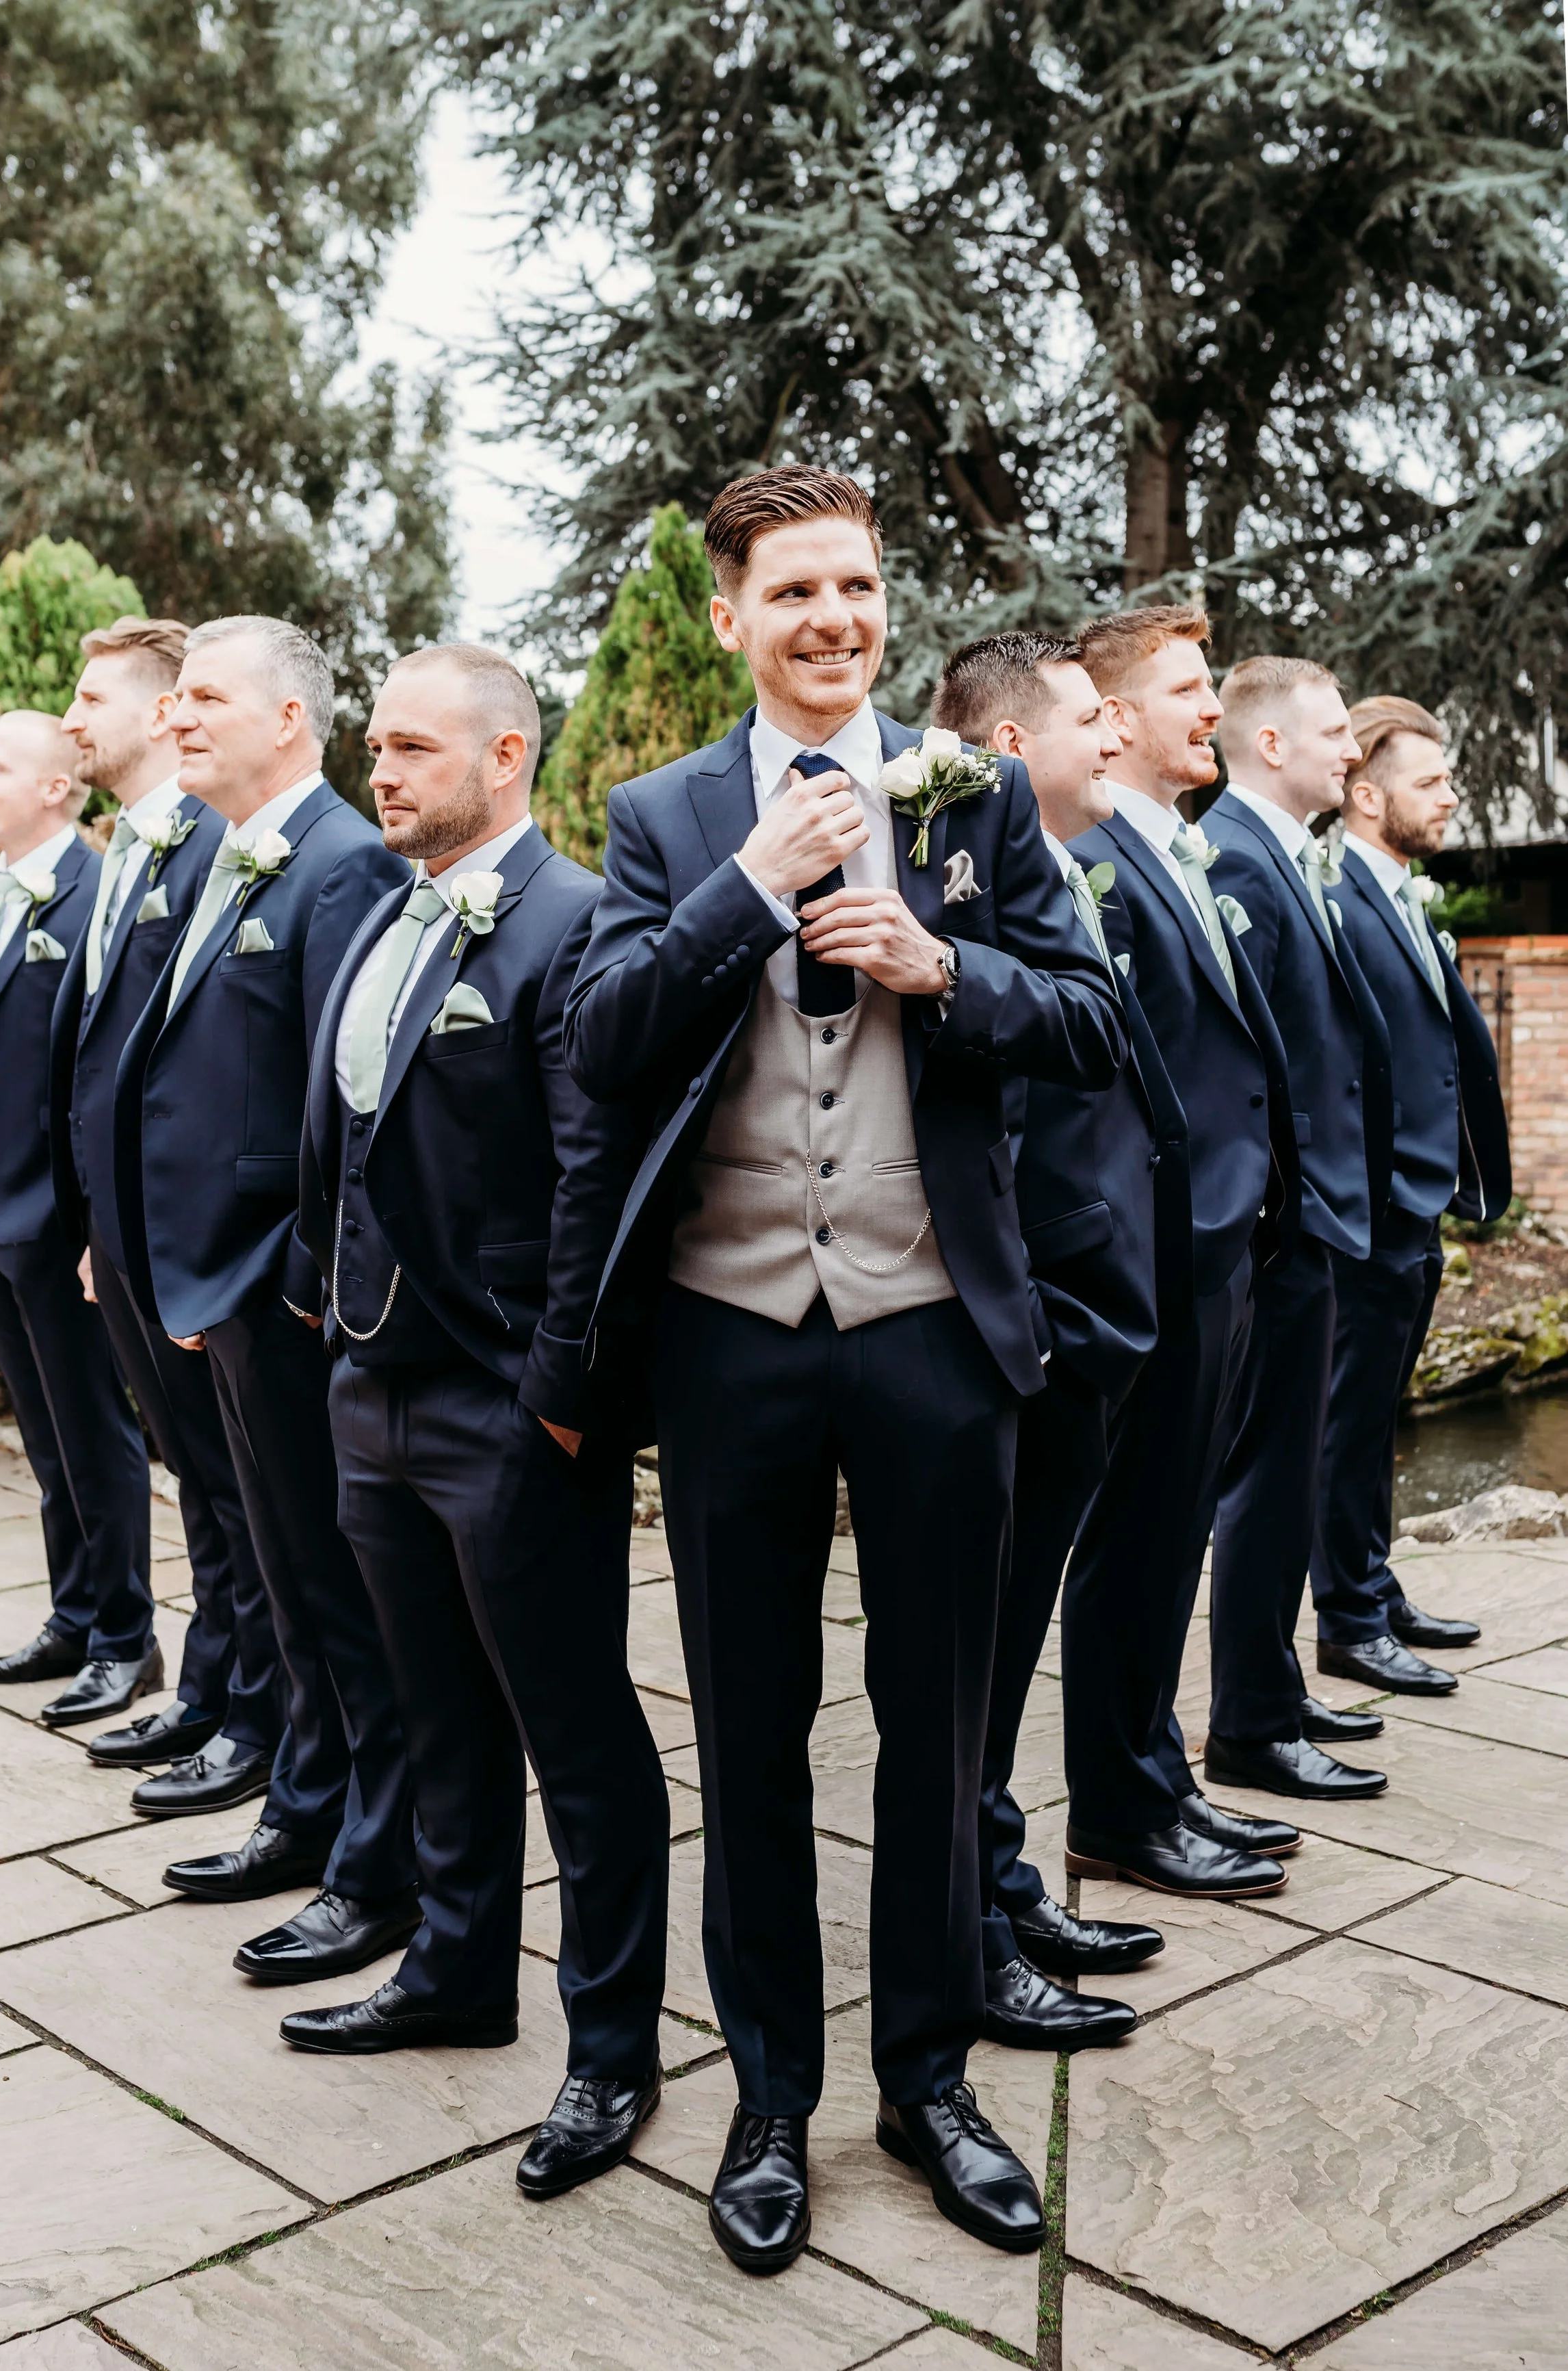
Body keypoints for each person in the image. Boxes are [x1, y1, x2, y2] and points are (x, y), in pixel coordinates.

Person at [566, 466, 1127, 2275]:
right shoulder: (658, 816)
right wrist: (752, 885)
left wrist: (939, 962)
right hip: (731, 1343)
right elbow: (599, 1038)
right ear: (729, 615)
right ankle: (767, 2098)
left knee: (938, 1730)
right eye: (794, 591)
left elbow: (1094, 1027)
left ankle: (929, 2082)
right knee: (743, 1736)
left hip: (929, 1334)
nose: (832, 620)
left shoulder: (974, 803)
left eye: (859, 588)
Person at [285, 643, 670, 2203]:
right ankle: (455, 1966)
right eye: (374, 745)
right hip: (366, 1392)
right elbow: (346, 1130)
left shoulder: (573, 923)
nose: (379, 771)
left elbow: (600, 1184)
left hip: (507, 1409)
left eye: (410, 748)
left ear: (504, 756)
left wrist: (560, 1401)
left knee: (578, 1738)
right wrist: (324, 1312)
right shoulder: (383, 909)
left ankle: (610, 2052)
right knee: (432, 1709)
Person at [112, 616, 419, 1982]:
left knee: (344, 1597)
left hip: (283, 1293)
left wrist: (291, 1288)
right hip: (214, 1279)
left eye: (205, 699)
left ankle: (377, 1864)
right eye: (171, 700)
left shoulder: (341, 868)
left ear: (290, 718)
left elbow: (341, 1104)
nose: (177, 718)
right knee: (290, 1580)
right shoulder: (232, 855)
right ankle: (304, 1806)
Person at [930, 632, 1177, 2048]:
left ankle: (1001, 1879)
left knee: (1004, 1660)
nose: (1110, 738)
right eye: (1088, 719)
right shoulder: (957, 886)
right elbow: (998, 1149)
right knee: (971, 1662)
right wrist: (1055, 1326)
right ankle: (966, 1933)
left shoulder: (1070, 877)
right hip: (1033, 1338)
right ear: (1010, 749)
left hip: (1095, 1328)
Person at [1062, 606, 1303, 1899]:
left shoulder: (1180, 849)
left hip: (1223, 1244)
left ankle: (1159, 1778)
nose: (1208, 708)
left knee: (1174, 1537)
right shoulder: (1098, 851)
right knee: (1136, 1537)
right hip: (1153, 1254)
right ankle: (1115, 1808)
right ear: (1113, 714)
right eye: (1185, 688)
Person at [49, 616, 283, 1793]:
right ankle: (206, 1688)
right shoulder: (123, 850)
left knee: (239, 1485)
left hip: (191, 1228)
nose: (74, 719)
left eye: (93, 700)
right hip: (125, 1228)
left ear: (157, 712)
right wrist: (100, 1228)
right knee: (193, 1471)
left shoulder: (215, 847)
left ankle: (251, 1712)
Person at [0, 711, 156, 1725]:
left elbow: (101, 1072)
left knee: (96, 1433)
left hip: (61, 1224)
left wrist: (99, 1224)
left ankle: (126, 1641)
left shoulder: (101, 894)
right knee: (46, 1437)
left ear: (58, 788)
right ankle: (73, 1615)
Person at [1197, 658, 1392, 1800]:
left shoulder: (1287, 854)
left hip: (1310, 1224)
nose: (1350, 750)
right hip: (1274, 1231)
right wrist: (1277, 1216)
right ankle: (1251, 1723)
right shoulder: (1233, 857)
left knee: (1285, 1480)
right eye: (1331, 731)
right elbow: (1235, 1072)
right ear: (1268, 744)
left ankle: (1270, 1682)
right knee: (1265, 1481)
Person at [1310, 697, 1508, 1693]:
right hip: (1372, 1209)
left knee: (1381, 1411)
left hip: (1419, 1202)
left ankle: (1372, 1585)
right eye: (1429, 782)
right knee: (1347, 1420)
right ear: (1364, 791)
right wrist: (1379, 1192)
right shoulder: (1337, 896)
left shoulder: (1398, 891)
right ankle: (1345, 1617)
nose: (1449, 797)